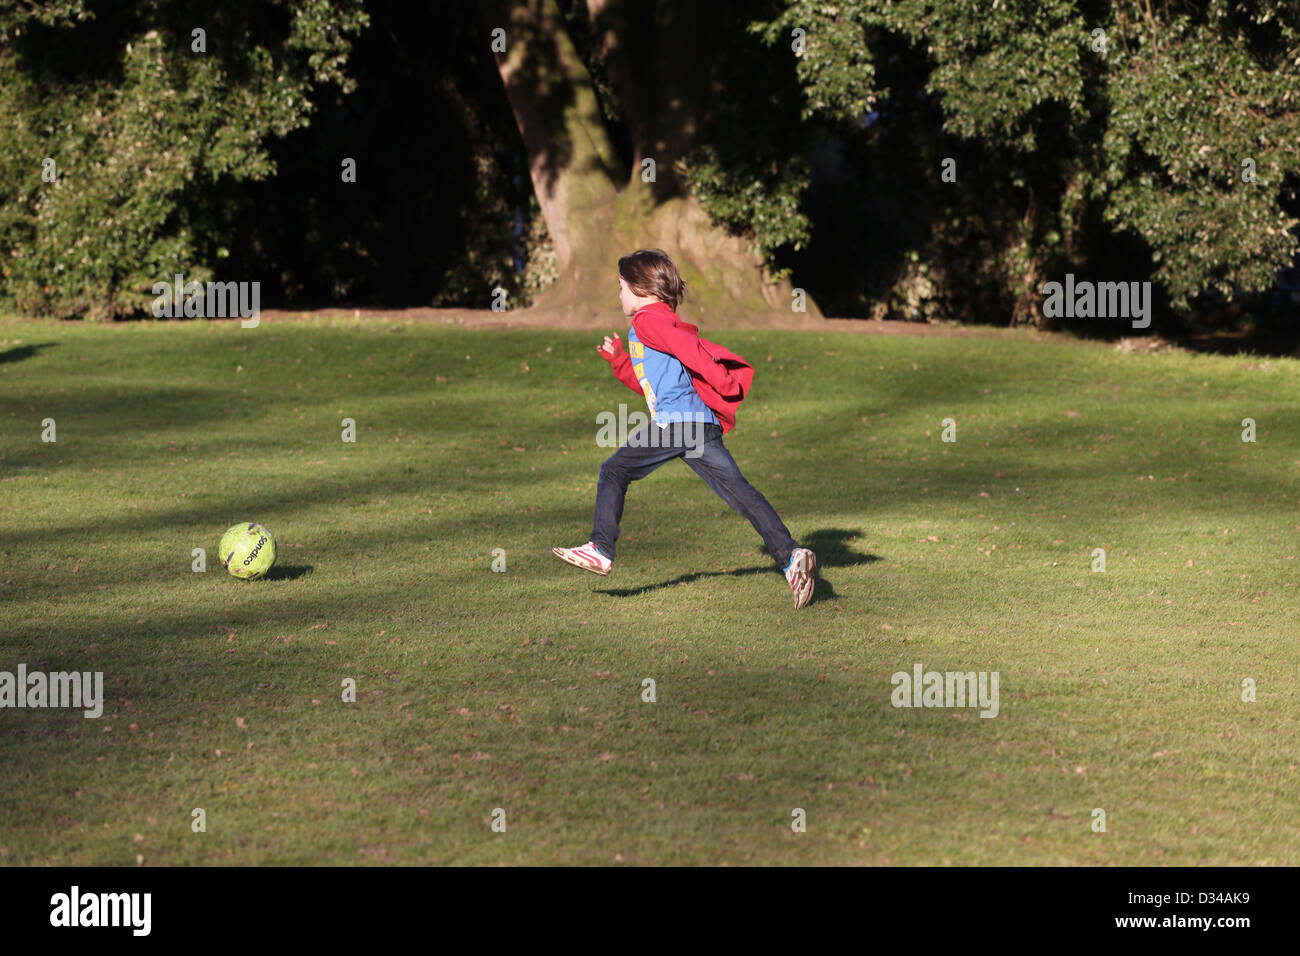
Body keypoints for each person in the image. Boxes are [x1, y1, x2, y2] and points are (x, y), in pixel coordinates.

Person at [552, 248, 817, 608]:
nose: (619, 296)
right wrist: (619, 361)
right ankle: (791, 557)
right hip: (698, 425)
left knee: (614, 471)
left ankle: (600, 549)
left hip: (677, 424)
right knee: (740, 494)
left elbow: (689, 348)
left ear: (641, 289)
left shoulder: (649, 320)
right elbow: (653, 382)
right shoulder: (656, 321)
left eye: (621, 287)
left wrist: (720, 378)